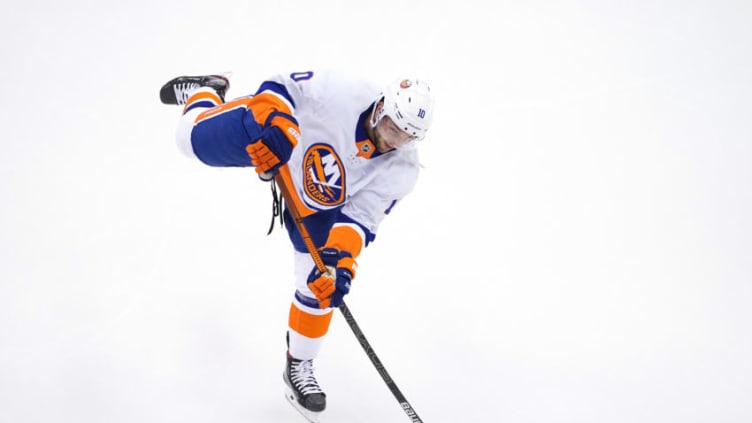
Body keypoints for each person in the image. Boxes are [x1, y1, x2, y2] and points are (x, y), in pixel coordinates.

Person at [159, 69, 434, 420]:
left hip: (318, 202)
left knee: (320, 282)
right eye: (393, 128)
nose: (394, 141)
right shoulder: (342, 90)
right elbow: (280, 87)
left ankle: (298, 365)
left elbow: (360, 220)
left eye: (406, 137)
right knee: (188, 140)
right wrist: (279, 126)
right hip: (274, 138)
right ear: (381, 108)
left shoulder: (403, 169)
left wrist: (342, 265)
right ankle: (206, 89)